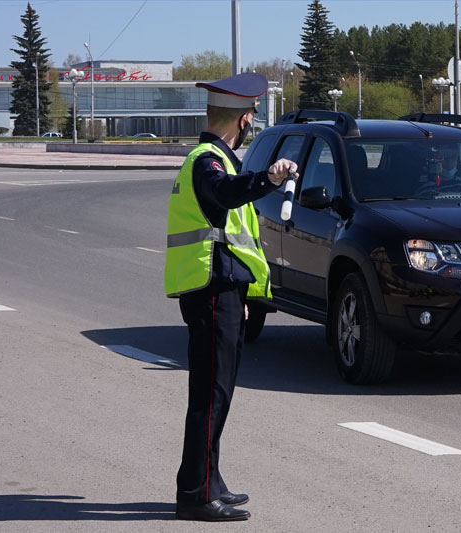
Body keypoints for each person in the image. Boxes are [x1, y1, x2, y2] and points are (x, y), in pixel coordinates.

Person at [164, 72, 297, 522]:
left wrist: (240, 293)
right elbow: (224, 195)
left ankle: (208, 479)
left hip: (221, 289)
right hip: (210, 292)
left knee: (216, 391)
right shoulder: (210, 162)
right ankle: (196, 494)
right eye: (251, 119)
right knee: (210, 393)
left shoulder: (214, 157)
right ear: (244, 120)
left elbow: (226, 235)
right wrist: (269, 180)